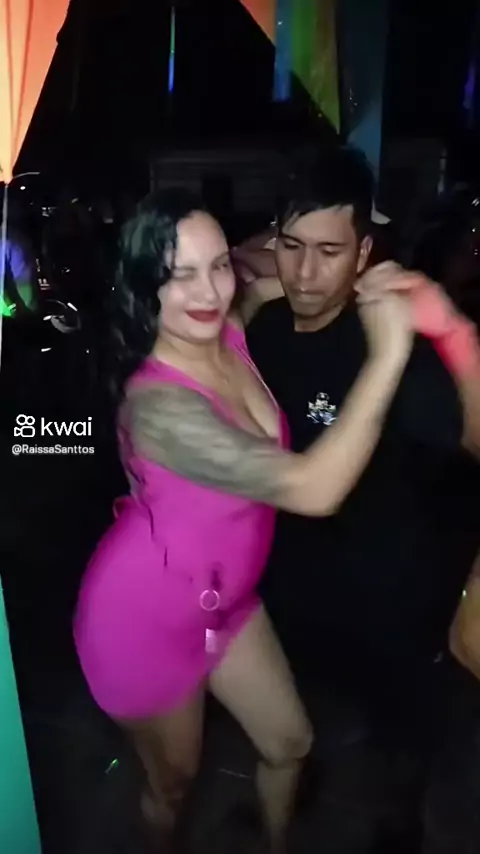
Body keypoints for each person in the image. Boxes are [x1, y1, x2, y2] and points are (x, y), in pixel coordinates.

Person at [73, 189, 415, 851]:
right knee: (173, 787)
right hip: (145, 619)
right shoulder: (160, 410)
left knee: (290, 743)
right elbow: (312, 489)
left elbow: (281, 265)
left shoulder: (231, 317)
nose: (208, 291)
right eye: (179, 275)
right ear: (144, 286)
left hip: (224, 604)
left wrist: (350, 253)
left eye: (218, 266)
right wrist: (388, 354)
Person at [245, 145, 480, 850]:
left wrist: (454, 330)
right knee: (297, 712)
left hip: (391, 591)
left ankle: (399, 824)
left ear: (364, 254)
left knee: (399, 728)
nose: (306, 272)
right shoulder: (264, 326)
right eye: (292, 246)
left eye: (329, 251)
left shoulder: (392, 341)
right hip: (293, 578)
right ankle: (299, 775)